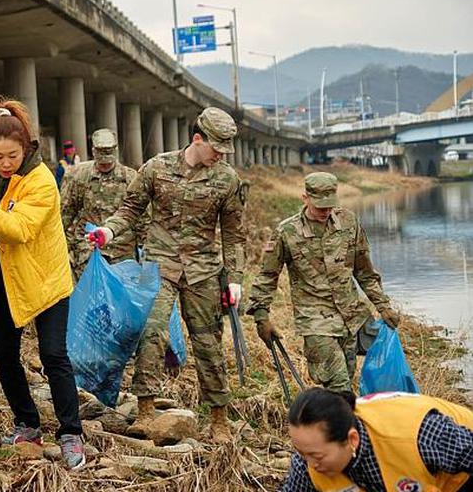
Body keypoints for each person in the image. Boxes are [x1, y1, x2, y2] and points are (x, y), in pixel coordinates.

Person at [88, 107, 246, 441]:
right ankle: (145, 410)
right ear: (197, 139)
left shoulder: (227, 179)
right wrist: (109, 232)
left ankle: (218, 418)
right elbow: (130, 209)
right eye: (215, 148)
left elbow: (234, 235)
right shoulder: (156, 168)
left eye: (225, 150)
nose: (220, 155)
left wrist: (235, 279)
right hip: (158, 263)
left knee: (208, 342)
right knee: (151, 332)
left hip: (203, 270)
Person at [0, 97, 85, 470]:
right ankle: (27, 424)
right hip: (7, 275)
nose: (6, 164)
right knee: (5, 354)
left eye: (12, 156)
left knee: (53, 354)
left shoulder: (41, 180)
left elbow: (20, 229)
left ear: (26, 148)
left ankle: (71, 432)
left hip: (45, 276)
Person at [246, 172, 400, 394]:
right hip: (315, 319)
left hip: (350, 318)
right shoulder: (287, 232)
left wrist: (383, 307)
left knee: (346, 379)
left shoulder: (348, 223)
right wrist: (261, 317)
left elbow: (365, 272)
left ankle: (336, 425)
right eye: (320, 207)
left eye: (329, 206)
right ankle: (344, 423)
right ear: (305, 198)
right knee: (340, 386)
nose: (325, 212)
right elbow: (267, 276)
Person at [280, 388, 473, 492]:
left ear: (352, 440)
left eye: (317, 456)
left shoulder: (421, 436)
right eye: (302, 454)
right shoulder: (307, 462)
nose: (311, 465)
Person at [60, 128, 145, 278]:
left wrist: (146, 253)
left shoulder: (131, 178)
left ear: (115, 151)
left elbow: (143, 218)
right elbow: (65, 214)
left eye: (108, 158)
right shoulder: (79, 176)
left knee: (121, 299)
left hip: (122, 254)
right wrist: (61, 249)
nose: (105, 164)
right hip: (88, 251)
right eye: (101, 159)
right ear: (93, 151)